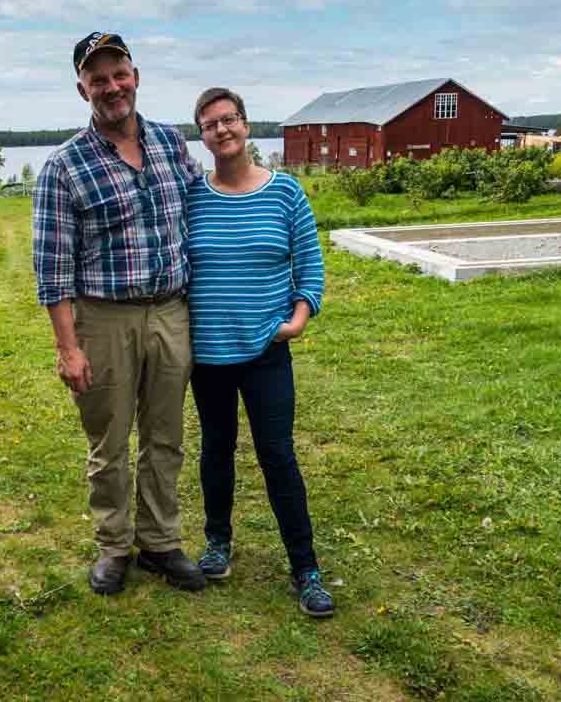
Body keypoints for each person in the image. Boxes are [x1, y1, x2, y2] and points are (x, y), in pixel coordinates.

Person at [32, 32, 206, 595]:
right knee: (108, 441)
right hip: (104, 319)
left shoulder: (171, 144)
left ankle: (160, 542)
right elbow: (52, 269)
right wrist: (68, 347)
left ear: (135, 75)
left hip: (170, 311)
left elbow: (199, 216)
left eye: (119, 74)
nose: (112, 87)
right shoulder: (64, 166)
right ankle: (113, 545)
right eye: (98, 78)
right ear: (81, 88)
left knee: (166, 434)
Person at [185, 87, 334, 617]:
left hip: (267, 351)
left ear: (246, 126)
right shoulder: (191, 195)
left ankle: (305, 567)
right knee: (215, 450)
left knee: (278, 455)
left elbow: (311, 267)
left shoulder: (285, 193)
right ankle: (217, 544)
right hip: (209, 355)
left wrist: (297, 319)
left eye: (229, 120)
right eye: (209, 124)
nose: (221, 130)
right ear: (200, 136)